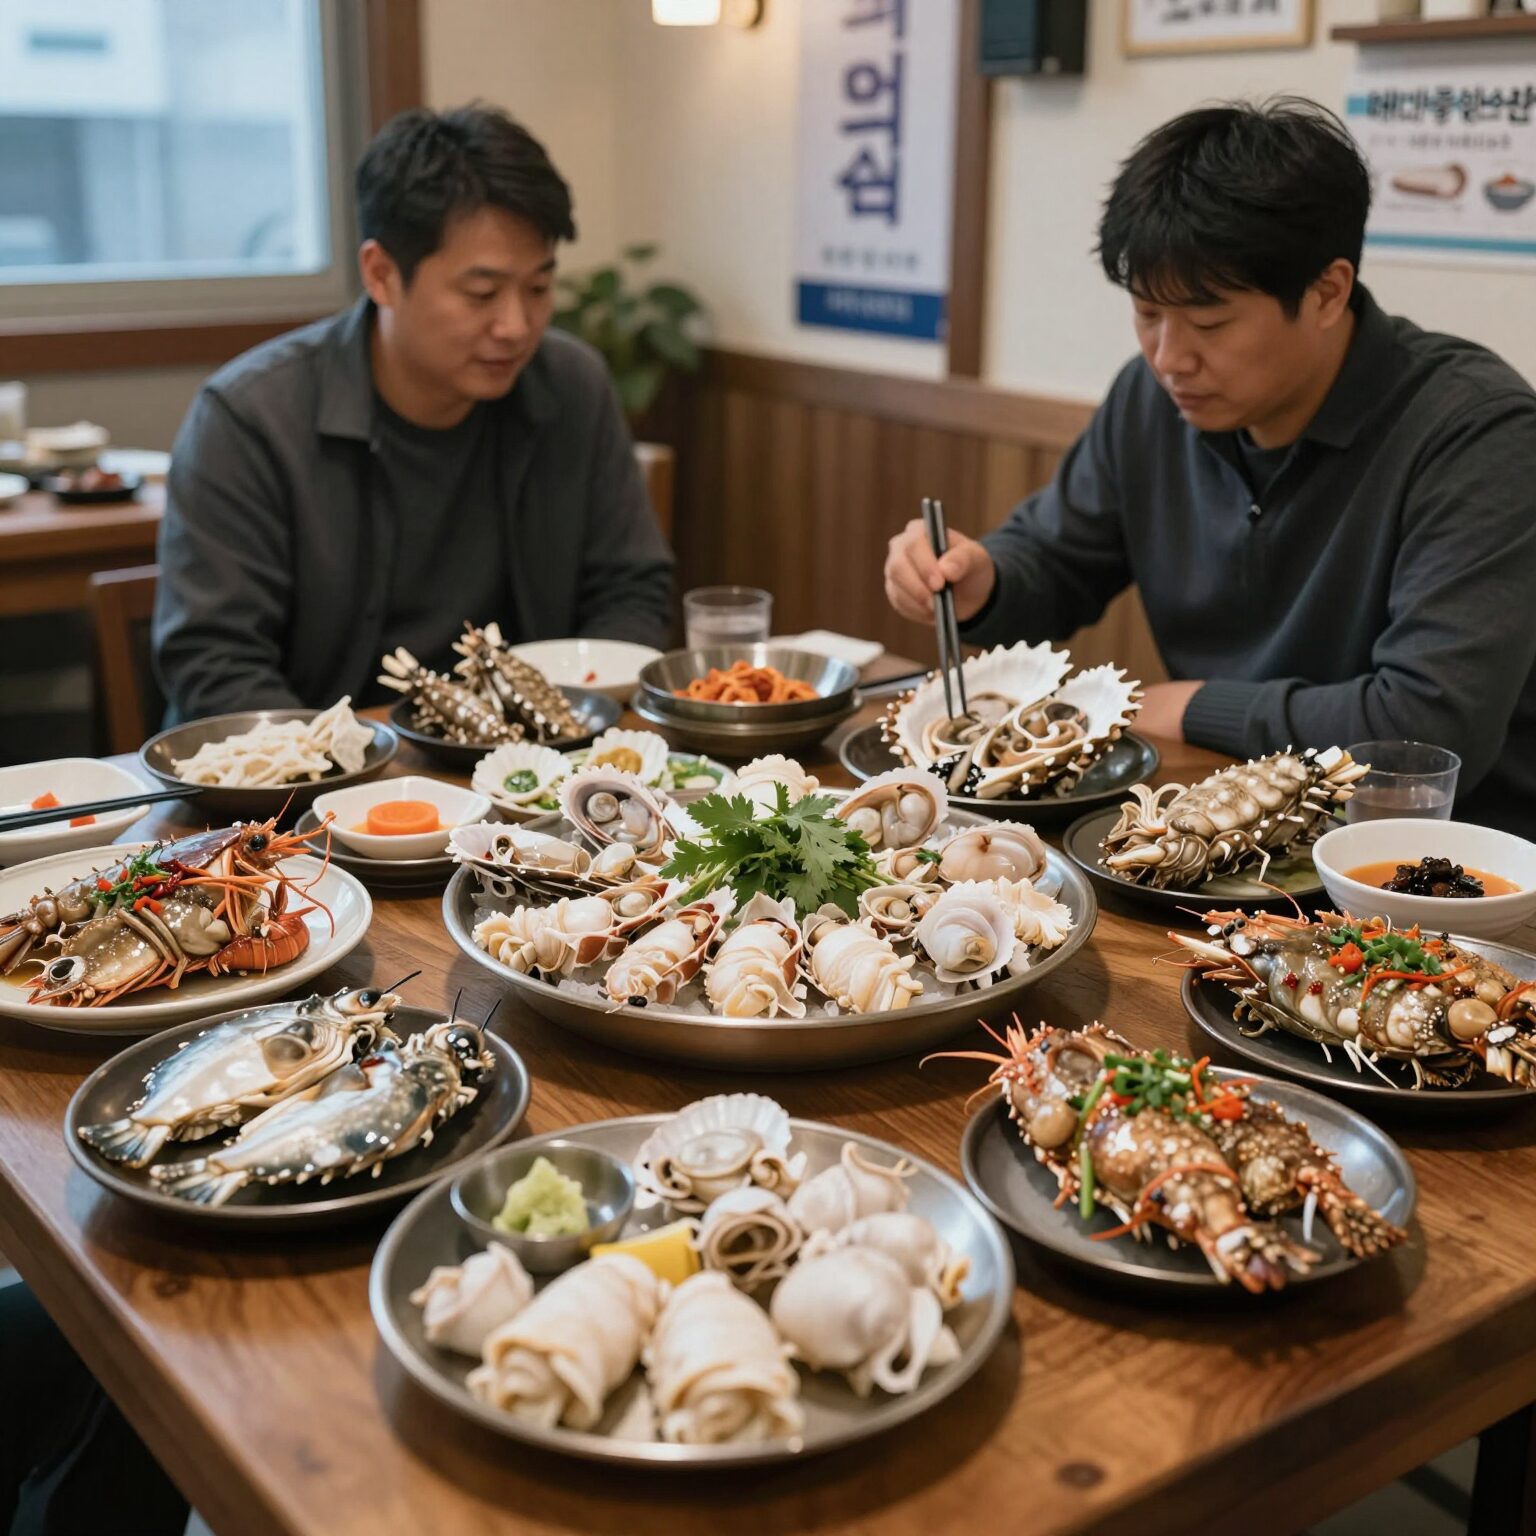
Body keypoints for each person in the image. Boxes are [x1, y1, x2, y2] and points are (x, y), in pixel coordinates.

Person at [884, 98, 1536, 835]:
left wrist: (1194, 705)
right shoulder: (1154, 397)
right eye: (1146, 314)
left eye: (1209, 323)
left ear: (1327, 292)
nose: (1169, 358)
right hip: (1222, 829)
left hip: (1442, 871)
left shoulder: (1476, 433)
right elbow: (1057, 557)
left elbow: (1425, 730)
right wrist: (983, 579)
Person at [154, 105, 674, 721]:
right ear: (380, 274)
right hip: (312, 787)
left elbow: (631, 591)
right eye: (480, 293)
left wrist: (565, 724)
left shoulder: (571, 386)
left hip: (531, 768)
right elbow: (216, 663)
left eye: (538, 288)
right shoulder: (250, 419)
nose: (516, 326)